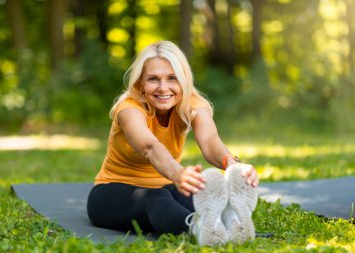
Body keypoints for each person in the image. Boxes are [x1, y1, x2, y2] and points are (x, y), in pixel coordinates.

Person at [87, 41, 259, 246]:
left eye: (172, 78)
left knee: (198, 195)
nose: (163, 88)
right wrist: (178, 173)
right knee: (157, 198)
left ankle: (229, 220)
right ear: (140, 84)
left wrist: (232, 166)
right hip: (111, 193)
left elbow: (210, 141)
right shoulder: (129, 109)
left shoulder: (194, 105)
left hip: (169, 187)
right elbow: (149, 146)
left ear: (183, 81)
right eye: (153, 79)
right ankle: (197, 230)